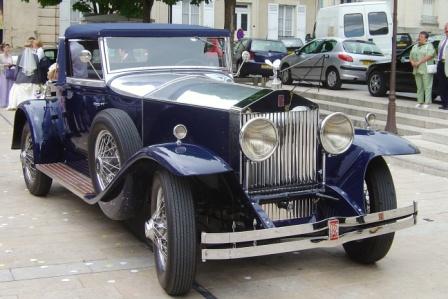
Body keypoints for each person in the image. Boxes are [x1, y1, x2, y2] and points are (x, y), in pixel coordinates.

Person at [7, 41, 41, 110]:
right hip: (33, 79)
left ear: (24, 47)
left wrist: (15, 77)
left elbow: (17, 68)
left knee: (15, 91)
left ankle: (18, 104)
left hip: (21, 79)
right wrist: (39, 79)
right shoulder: (35, 56)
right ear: (32, 47)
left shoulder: (20, 56)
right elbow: (38, 69)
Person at [410, 31, 435, 109]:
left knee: (427, 86)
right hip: (416, 69)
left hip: (425, 69)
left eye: (421, 36)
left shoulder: (429, 46)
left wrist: (419, 62)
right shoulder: (415, 46)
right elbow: (410, 55)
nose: (419, 38)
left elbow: (430, 55)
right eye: (419, 36)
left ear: (426, 39)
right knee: (419, 86)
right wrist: (412, 62)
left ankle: (427, 102)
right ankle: (420, 101)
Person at [0, 44, 15, 108]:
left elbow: (11, 63)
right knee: (3, 88)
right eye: (6, 48)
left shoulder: (10, 56)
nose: (7, 49)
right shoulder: (0, 56)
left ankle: (9, 102)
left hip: (9, 73)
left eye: (8, 48)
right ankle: (3, 102)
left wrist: (10, 65)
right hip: (3, 73)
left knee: (9, 88)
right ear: (3, 48)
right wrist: (5, 65)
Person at [437, 23, 448, 110]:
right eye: (445, 29)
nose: (446, 31)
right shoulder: (443, 40)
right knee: (441, 84)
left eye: (447, 29)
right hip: (441, 63)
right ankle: (444, 103)